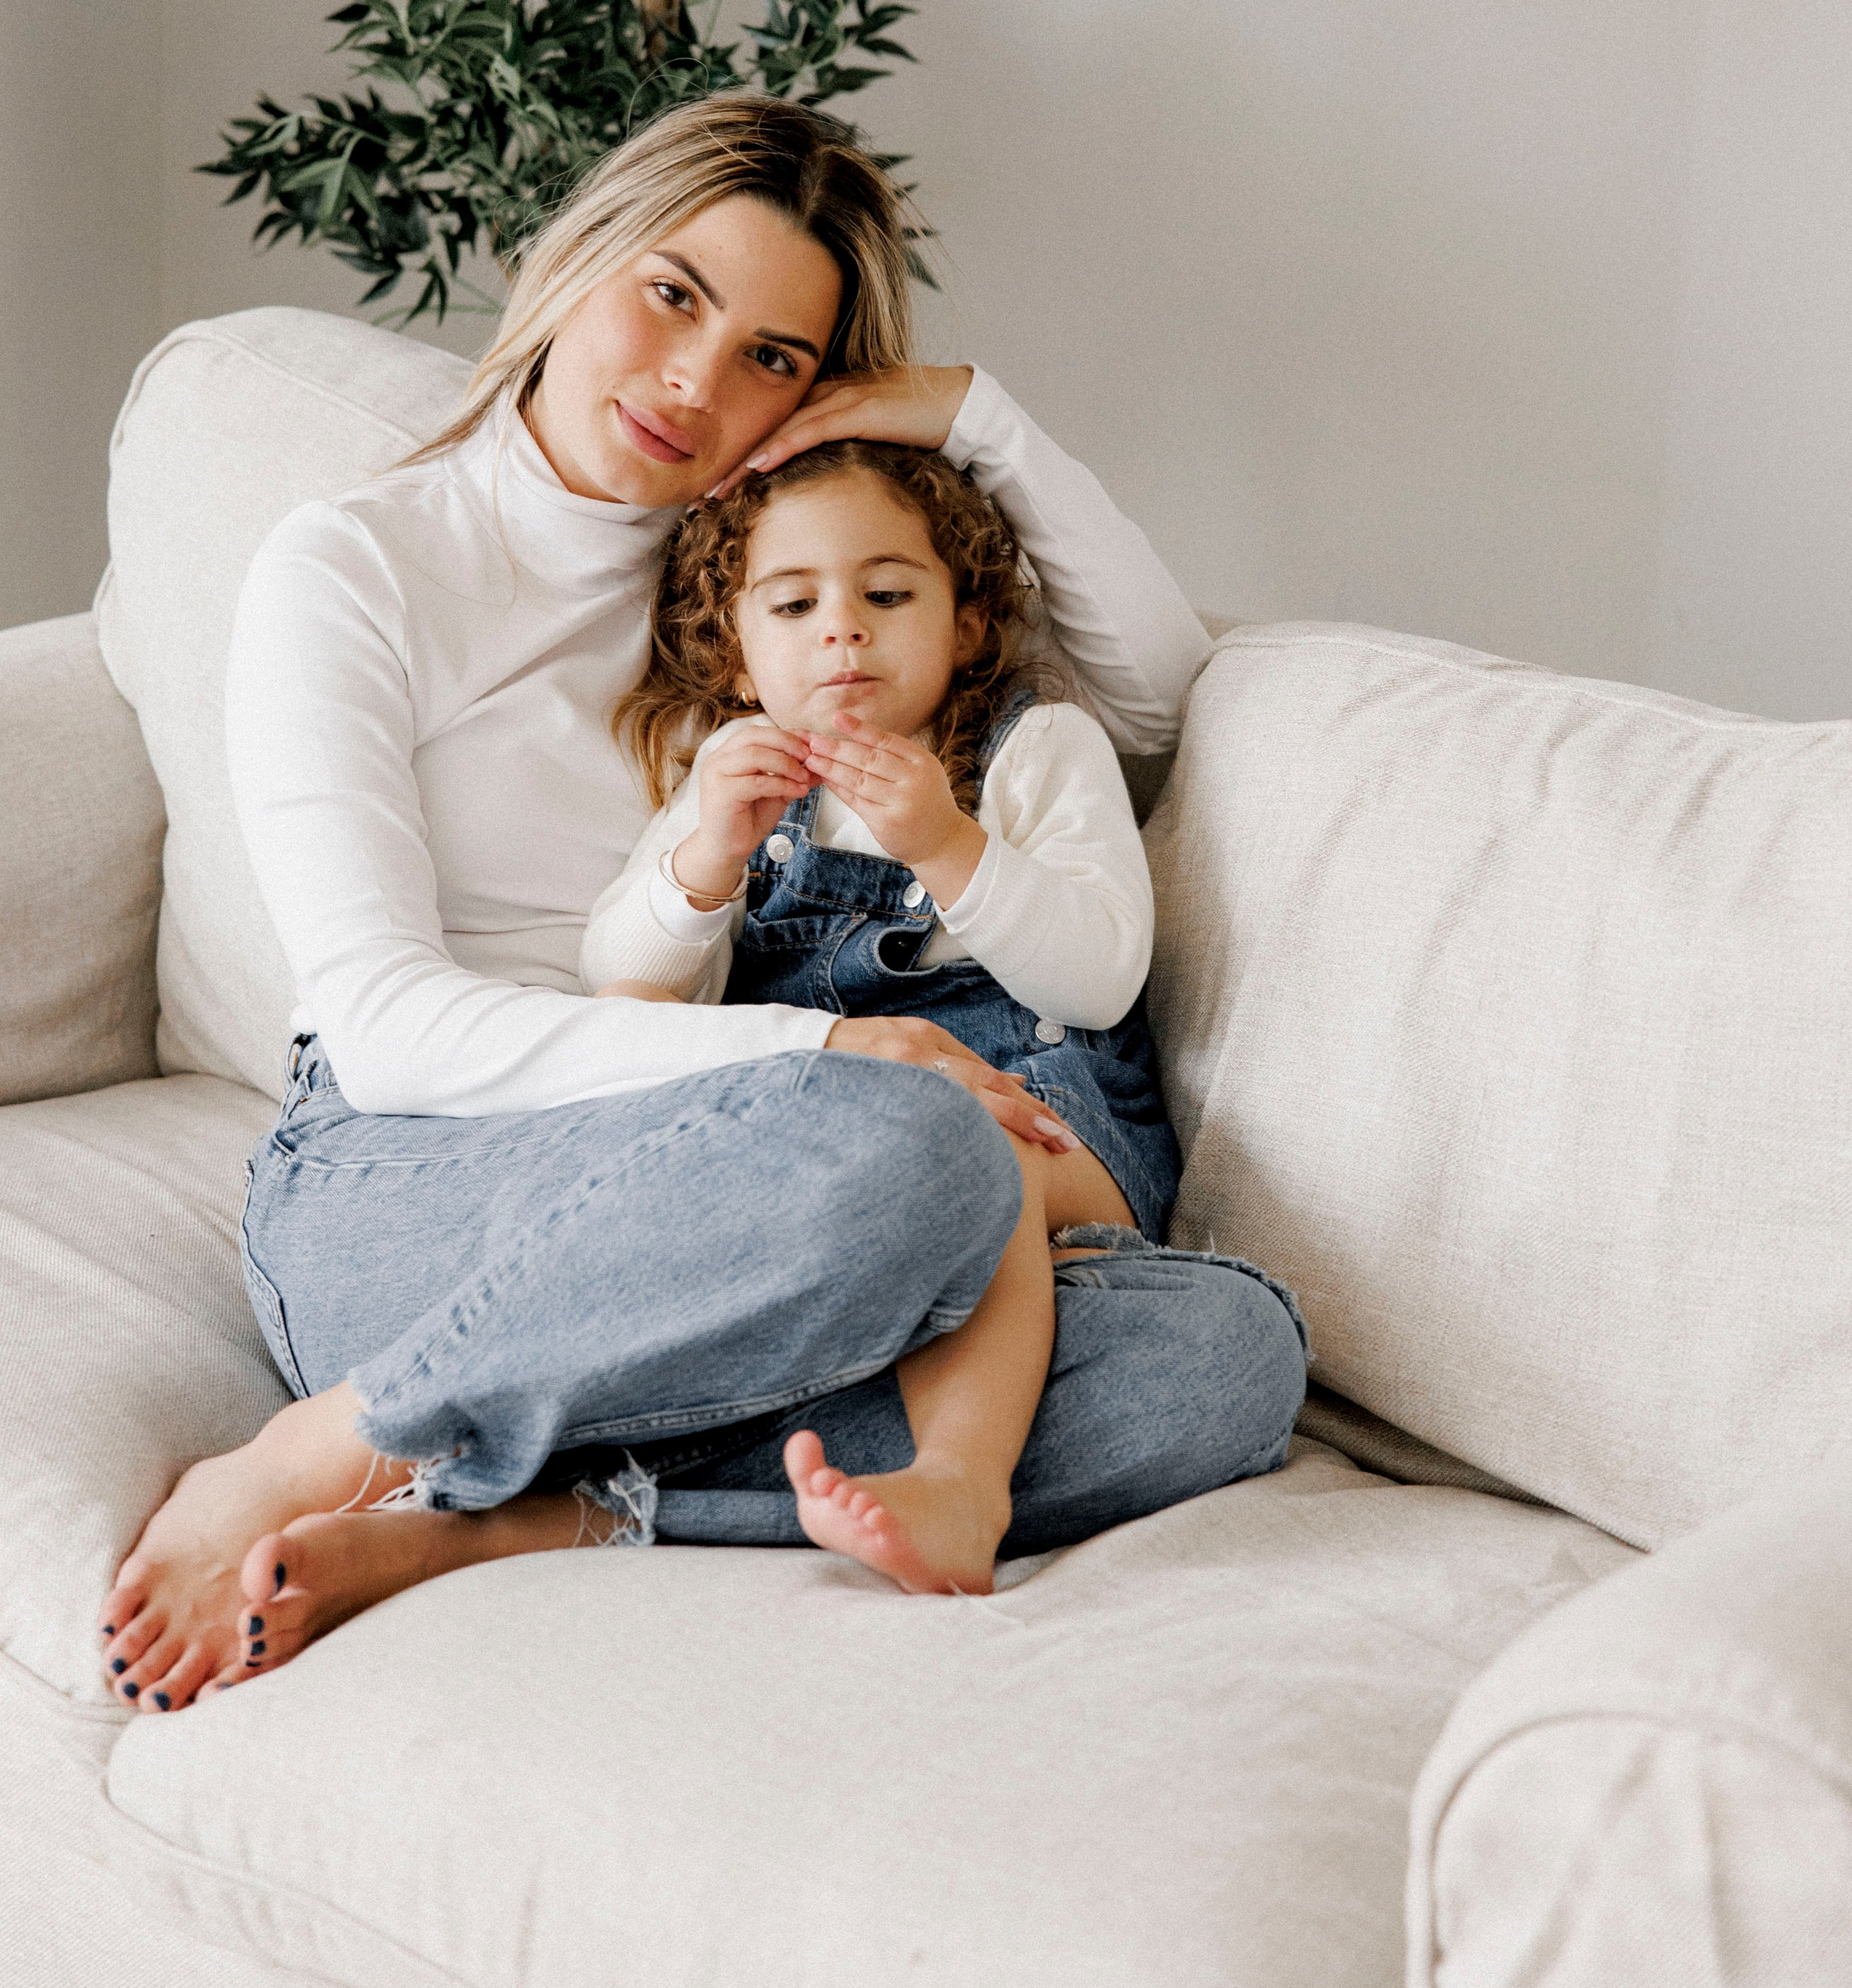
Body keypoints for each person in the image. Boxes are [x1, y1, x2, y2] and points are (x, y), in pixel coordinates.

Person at [93, 93, 1307, 1715]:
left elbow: (1160, 700)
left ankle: (548, 1511)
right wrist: (825, 1058)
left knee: (1224, 1361)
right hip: (416, 1189)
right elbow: (385, 1031)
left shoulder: (779, 580)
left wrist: (969, 416)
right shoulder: (356, 566)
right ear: (575, 259)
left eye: (773, 357)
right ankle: (334, 1441)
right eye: (671, 294)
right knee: (920, 1150)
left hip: (747, 1202)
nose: (694, 383)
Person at [583, 436, 1250, 1593]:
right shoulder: (734, 773)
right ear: (737, 651)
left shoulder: (1031, 750)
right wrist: (704, 861)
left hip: (1046, 1123)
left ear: (969, 622)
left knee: (978, 1151)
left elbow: (1100, 975)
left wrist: (949, 844)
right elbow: (619, 978)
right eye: (795, 603)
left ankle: (960, 1480)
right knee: (651, 1085)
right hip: (837, 1135)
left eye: (888, 593)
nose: (843, 627)